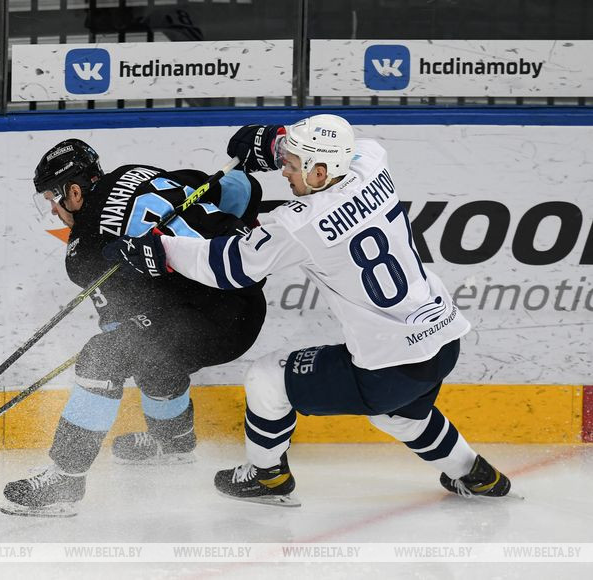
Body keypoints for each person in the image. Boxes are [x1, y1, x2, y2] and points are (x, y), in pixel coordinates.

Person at [109, 115, 512, 506]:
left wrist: (161, 249)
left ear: (320, 172)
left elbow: (229, 267)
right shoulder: (372, 164)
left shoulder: (299, 223)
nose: (285, 171)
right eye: (286, 160)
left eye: (293, 164)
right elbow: (352, 145)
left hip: (388, 366)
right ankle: (474, 473)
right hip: (442, 339)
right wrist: (277, 145)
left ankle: (268, 477)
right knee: (400, 415)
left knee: (267, 378)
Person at [1, 139, 267, 516]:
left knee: (103, 355)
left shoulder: (85, 248)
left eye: (52, 199)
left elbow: (119, 323)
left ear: (73, 192)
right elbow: (244, 188)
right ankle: (174, 443)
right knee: (149, 349)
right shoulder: (136, 173)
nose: (53, 210)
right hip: (247, 303)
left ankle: (65, 480)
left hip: (214, 321)